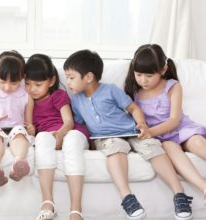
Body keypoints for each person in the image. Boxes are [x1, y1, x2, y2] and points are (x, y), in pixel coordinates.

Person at [63, 49, 193, 220]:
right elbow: (80, 124)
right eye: (66, 78)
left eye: (71, 77)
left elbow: (133, 108)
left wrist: (141, 124)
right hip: (106, 138)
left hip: (130, 130)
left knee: (152, 147)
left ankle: (179, 194)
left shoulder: (110, 90)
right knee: (115, 149)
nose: (67, 82)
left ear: (88, 77)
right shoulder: (76, 101)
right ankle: (127, 198)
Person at [124, 44, 206, 207]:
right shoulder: (134, 91)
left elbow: (174, 120)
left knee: (197, 143)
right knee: (170, 147)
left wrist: (150, 131)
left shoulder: (173, 86)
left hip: (181, 129)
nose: (143, 80)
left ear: (163, 70)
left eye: (149, 75)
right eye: (138, 74)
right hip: (162, 138)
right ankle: (204, 187)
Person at [25, 54, 89, 220]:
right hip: (49, 136)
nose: (32, 89)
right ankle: (48, 203)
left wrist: (61, 133)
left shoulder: (58, 95)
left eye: (38, 84)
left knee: (71, 140)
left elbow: (68, 122)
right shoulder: (28, 101)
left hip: (70, 132)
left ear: (51, 81)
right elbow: (30, 126)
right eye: (28, 84)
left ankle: (76, 210)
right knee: (42, 138)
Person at [0, 50, 34, 187]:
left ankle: (20, 162)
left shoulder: (26, 95)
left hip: (16, 130)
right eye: (2, 81)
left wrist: (31, 128)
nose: (8, 87)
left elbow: (28, 123)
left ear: (23, 77)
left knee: (20, 132)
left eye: (14, 83)